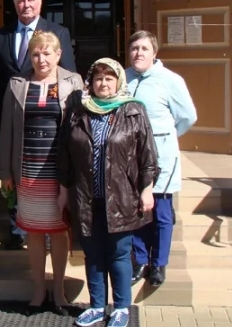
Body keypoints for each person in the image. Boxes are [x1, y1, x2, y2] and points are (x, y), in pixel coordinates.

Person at [57, 58, 158, 327]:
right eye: (99, 78)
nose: (104, 83)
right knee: (92, 253)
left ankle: (122, 307)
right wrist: (64, 192)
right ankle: (97, 306)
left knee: (119, 254)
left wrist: (147, 190)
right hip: (85, 196)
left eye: (109, 78)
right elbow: (65, 155)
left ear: (118, 82)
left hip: (122, 197)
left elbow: (147, 154)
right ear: (90, 83)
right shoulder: (78, 112)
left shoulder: (133, 110)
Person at [0, 31, 83, 315]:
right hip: (28, 169)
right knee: (34, 232)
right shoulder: (18, 84)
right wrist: (5, 170)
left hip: (59, 172)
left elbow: (80, 130)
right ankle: (38, 289)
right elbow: (7, 129)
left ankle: (58, 290)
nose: (41, 59)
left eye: (47, 53)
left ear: (58, 54)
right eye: (35, 54)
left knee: (59, 231)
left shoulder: (73, 82)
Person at [0, 0, 77, 250]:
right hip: (17, 120)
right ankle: (18, 228)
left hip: (50, 125)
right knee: (19, 183)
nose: (26, 5)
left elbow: (70, 80)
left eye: (31, 0)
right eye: (20, 1)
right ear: (14, 4)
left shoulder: (58, 32)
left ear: (40, 2)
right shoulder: (0, 36)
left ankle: (51, 230)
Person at [126, 30, 197, 288]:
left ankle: (159, 264)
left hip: (161, 157)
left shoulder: (170, 80)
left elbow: (188, 116)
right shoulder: (123, 78)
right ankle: (140, 259)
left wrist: (168, 137)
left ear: (154, 53)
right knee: (138, 210)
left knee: (162, 211)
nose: (139, 53)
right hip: (131, 158)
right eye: (135, 48)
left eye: (144, 49)